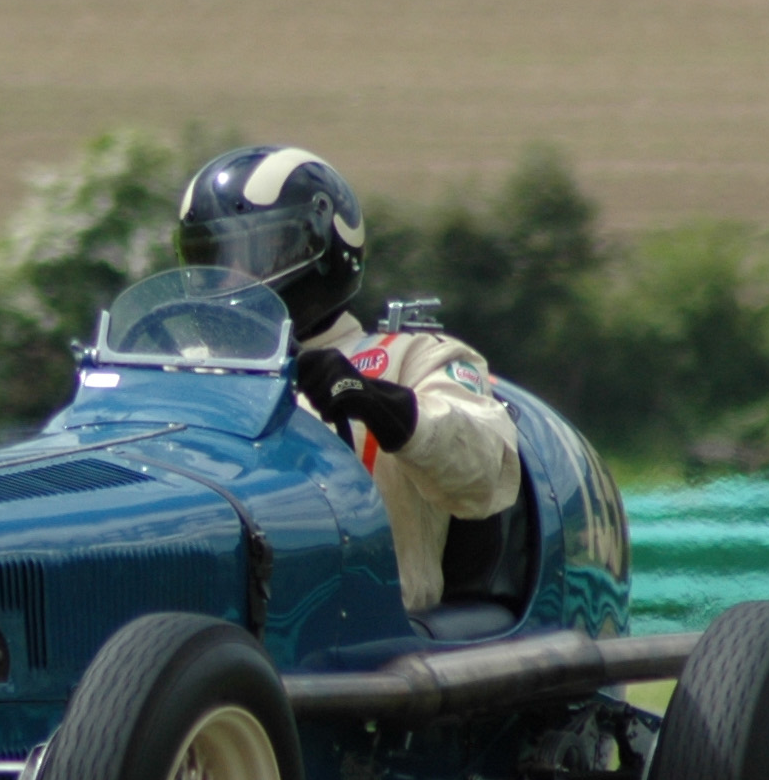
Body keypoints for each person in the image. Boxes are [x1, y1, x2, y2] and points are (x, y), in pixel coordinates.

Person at [176, 145, 521, 616]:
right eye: (212, 258)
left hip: (371, 640)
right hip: (201, 617)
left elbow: (487, 474)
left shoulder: (410, 358)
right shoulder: (183, 372)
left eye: (253, 254)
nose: (227, 280)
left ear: (322, 248)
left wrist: (374, 399)